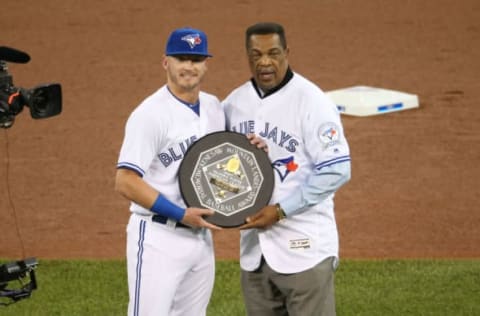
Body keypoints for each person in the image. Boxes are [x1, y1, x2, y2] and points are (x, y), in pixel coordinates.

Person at [115, 27, 267, 316]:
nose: (189, 66)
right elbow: (125, 181)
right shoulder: (149, 115)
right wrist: (181, 214)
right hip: (158, 236)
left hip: (200, 239)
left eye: (196, 60)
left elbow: (226, 157)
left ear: (205, 64)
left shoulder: (213, 107)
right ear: (166, 62)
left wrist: (252, 148)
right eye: (181, 58)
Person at [222, 22, 352, 316]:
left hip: (305, 250)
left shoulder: (312, 101)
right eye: (256, 55)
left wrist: (281, 210)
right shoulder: (233, 104)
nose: (264, 62)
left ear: (287, 52)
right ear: (247, 56)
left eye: (273, 53)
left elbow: (337, 170)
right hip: (255, 254)